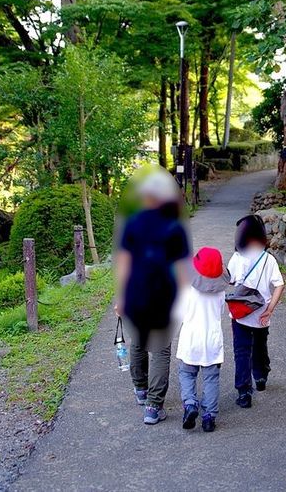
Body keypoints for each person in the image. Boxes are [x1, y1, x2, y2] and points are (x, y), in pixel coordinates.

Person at [114, 167, 191, 425]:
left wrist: (122, 296)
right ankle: (153, 406)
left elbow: (124, 262)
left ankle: (140, 389)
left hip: (136, 292)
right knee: (159, 348)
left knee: (137, 341)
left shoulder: (133, 223)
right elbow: (182, 269)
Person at [226, 214, 284, 409]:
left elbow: (230, 280)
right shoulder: (269, 259)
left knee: (241, 352)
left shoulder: (237, 257)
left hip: (240, 313)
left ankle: (244, 393)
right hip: (261, 314)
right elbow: (279, 285)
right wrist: (270, 309)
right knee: (260, 345)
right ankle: (260, 376)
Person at [176, 246, 230, 432]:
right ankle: (209, 417)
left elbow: (179, 312)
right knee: (211, 378)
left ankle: (190, 404)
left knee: (186, 373)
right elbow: (220, 312)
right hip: (212, 340)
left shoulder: (187, 290)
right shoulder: (220, 292)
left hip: (190, 339)